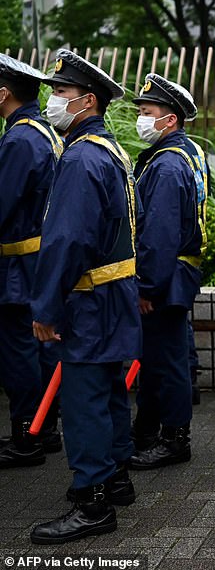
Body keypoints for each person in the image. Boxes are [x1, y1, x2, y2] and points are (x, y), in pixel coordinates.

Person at [29, 50, 140, 544]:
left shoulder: (78, 157)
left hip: (89, 299)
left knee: (84, 401)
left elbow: (66, 240)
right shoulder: (108, 149)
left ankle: (92, 500)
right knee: (109, 391)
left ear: (87, 100)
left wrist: (47, 308)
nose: (52, 101)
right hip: (113, 293)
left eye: (60, 93)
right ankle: (116, 478)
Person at [127, 74, 208, 469]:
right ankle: (147, 430)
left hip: (166, 276)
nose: (141, 119)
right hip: (175, 273)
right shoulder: (183, 153)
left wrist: (146, 286)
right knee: (160, 356)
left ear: (170, 119)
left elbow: (158, 233)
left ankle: (175, 438)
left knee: (168, 359)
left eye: (147, 112)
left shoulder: (167, 164)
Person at [0, 54, 62, 468]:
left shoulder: (21, 138)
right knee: (37, 348)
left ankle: (26, 436)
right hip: (37, 260)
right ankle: (43, 427)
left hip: (19, 265)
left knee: (19, 350)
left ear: (4, 93)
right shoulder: (43, 131)